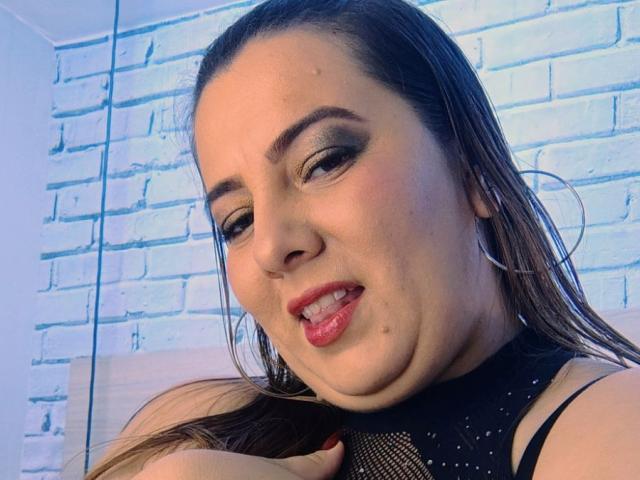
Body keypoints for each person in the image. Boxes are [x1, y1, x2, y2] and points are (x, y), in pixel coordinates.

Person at [84, 0, 640, 479]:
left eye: (324, 162)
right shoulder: (187, 431)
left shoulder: (608, 424)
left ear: (474, 171)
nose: (271, 246)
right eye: (238, 221)